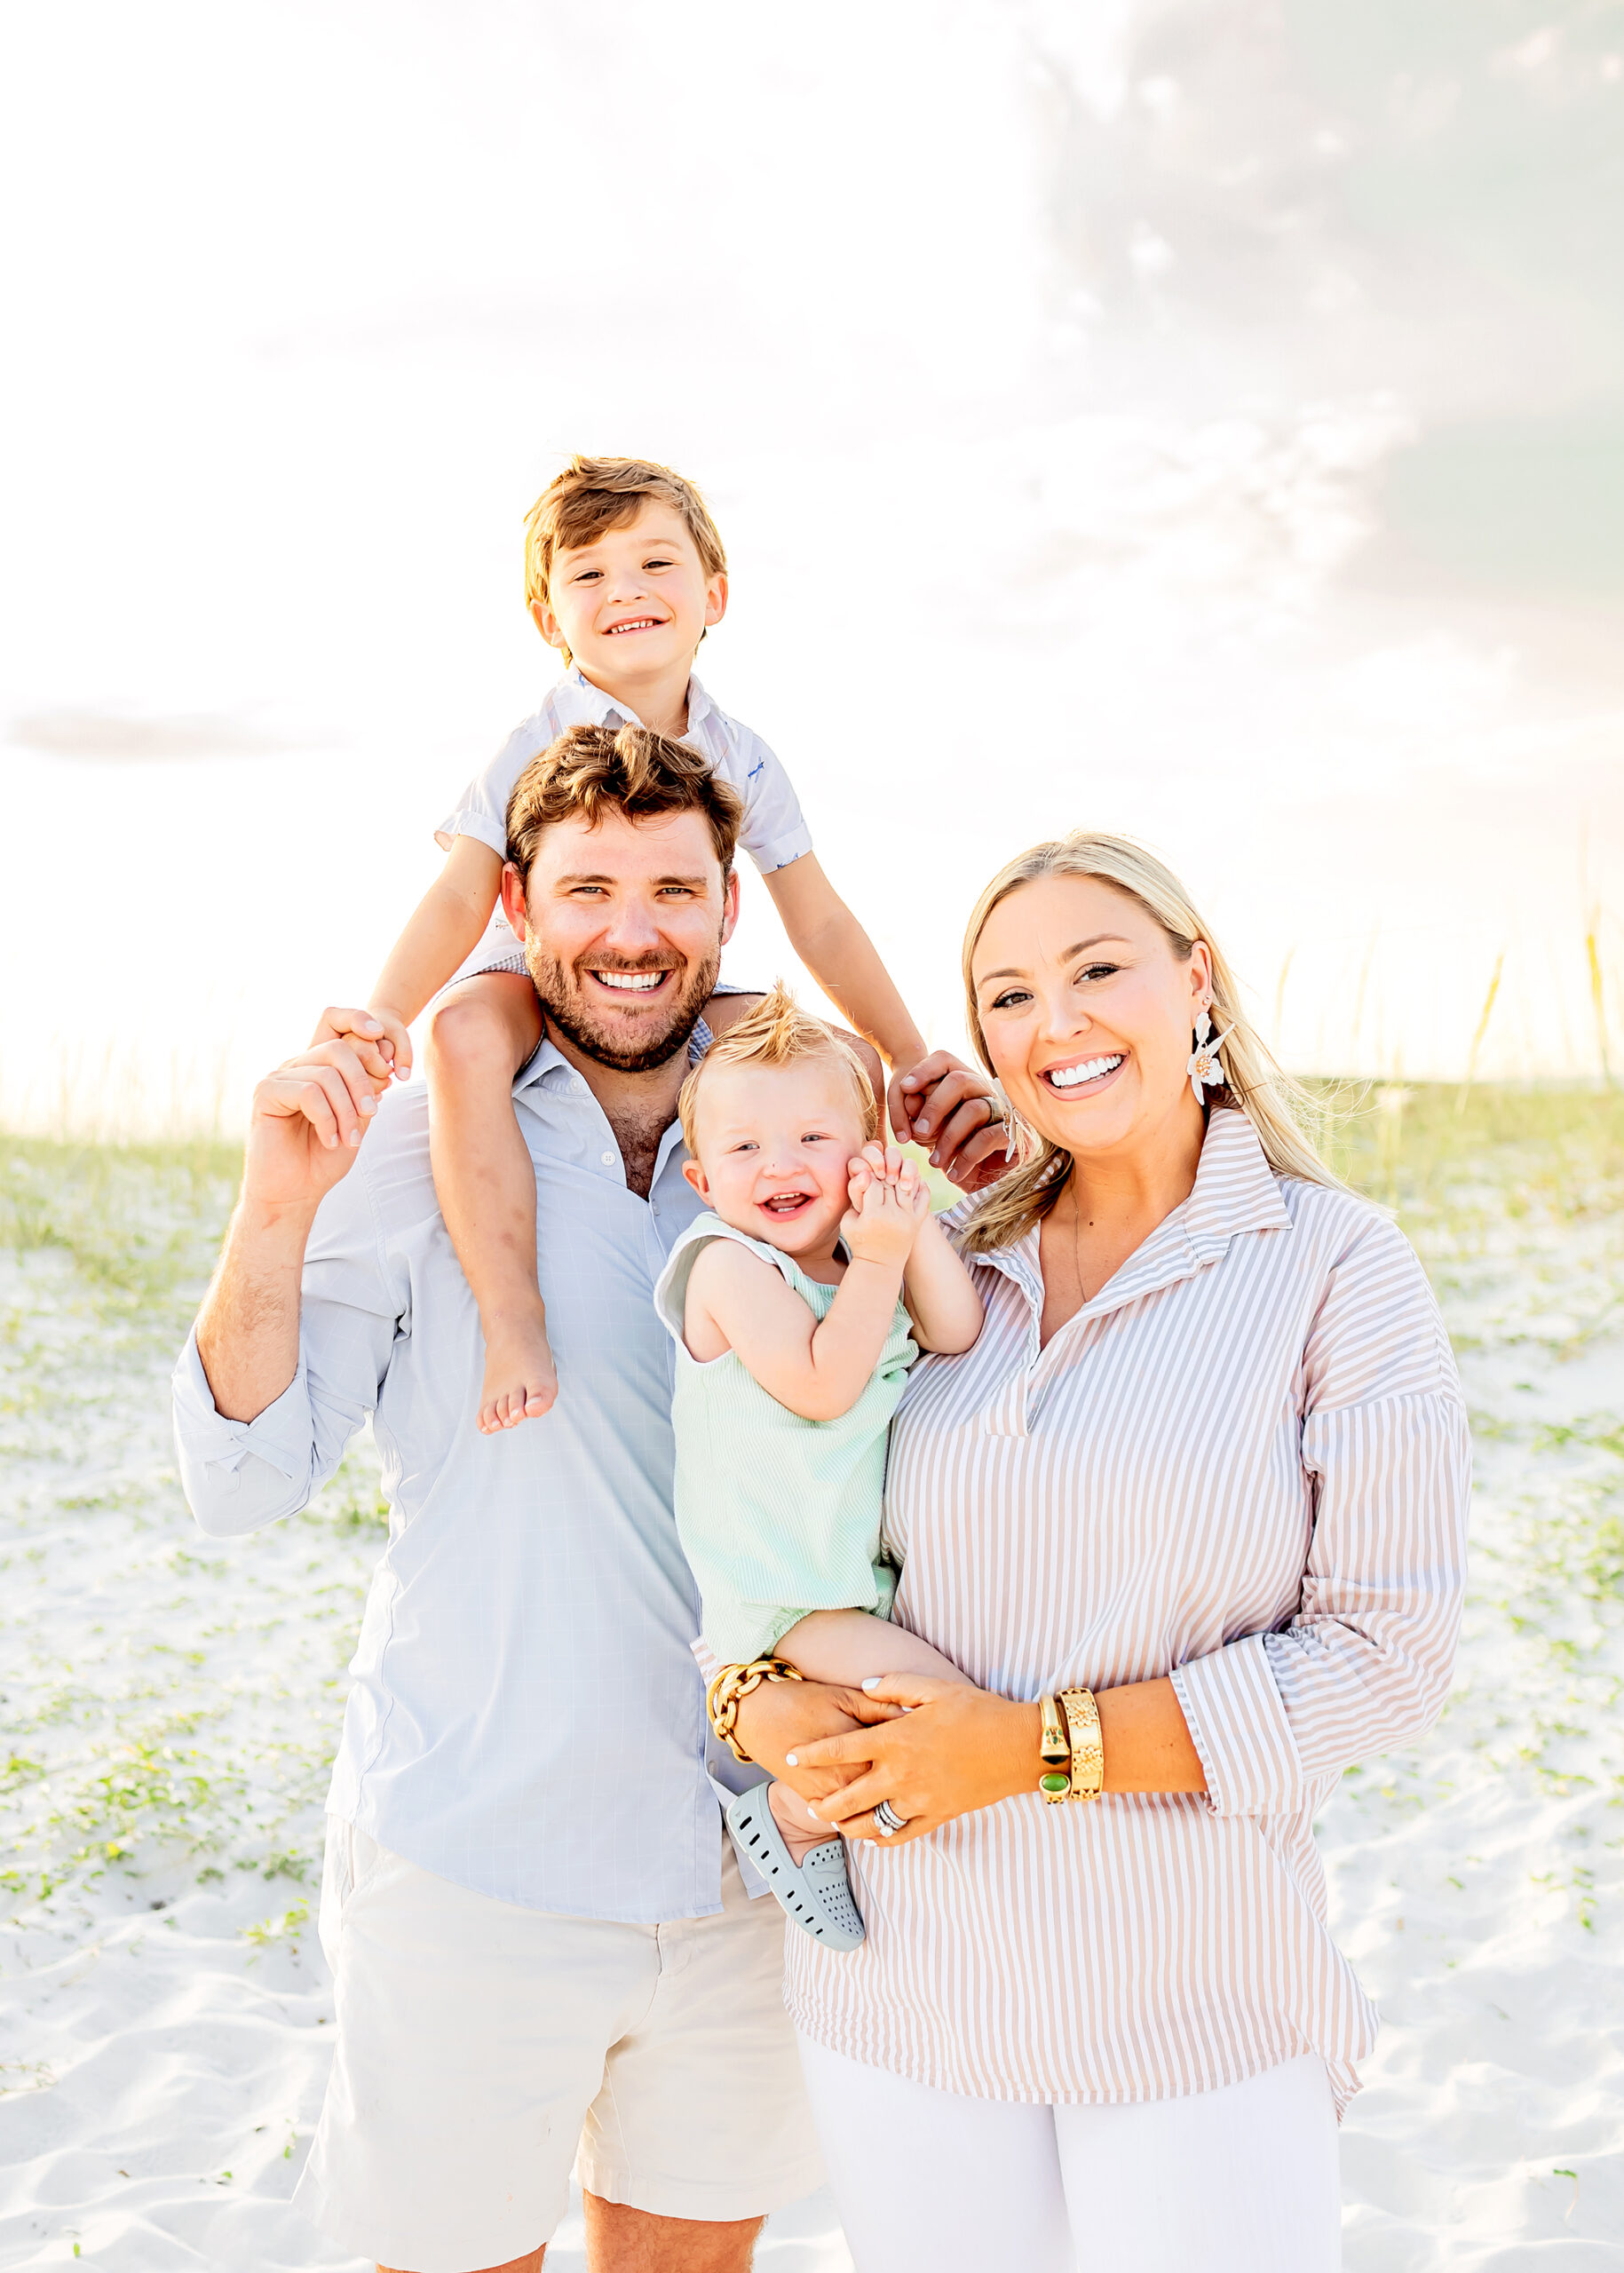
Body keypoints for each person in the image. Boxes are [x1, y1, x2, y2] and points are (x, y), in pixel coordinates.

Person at [170, 724, 997, 2273]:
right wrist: (273, 1204)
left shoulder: (812, 1145)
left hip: (760, 1862)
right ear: (517, 909)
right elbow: (238, 1484)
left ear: (728, 906)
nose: (632, 932)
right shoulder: (411, 1143)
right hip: (480, 1861)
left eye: (673, 890)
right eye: (589, 888)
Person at [725, 833, 1472, 2273]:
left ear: (1193, 983)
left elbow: (1385, 1660)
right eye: (1003, 996)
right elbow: (764, 1532)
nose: (1052, 1022)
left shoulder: (1333, 1265)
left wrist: (1030, 1749)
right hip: (901, 1994)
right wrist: (747, 1700)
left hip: (1186, 1998)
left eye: (1094, 970)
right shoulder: (927, 1267)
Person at [327, 454, 931, 1437]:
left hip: (676, 971)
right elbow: (458, 897)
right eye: (590, 575)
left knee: (831, 1060)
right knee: (465, 1038)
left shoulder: (744, 753)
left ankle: (838, 1299)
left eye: (655, 564)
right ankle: (512, 1311)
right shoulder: (534, 740)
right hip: (534, 970)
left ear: (714, 594)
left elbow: (819, 920)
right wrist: (386, 1014)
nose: (627, 593)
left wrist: (905, 1056)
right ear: (547, 618)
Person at [652, 985, 982, 1949]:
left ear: (863, 1154)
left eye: (811, 1140)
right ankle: (793, 1818)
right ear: (704, 1180)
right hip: (779, 1593)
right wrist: (877, 1260)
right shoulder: (722, 1266)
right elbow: (819, 1384)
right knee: (947, 1718)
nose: (779, 1166)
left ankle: (819, 1811)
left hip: (840, 1581)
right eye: (744, 1149)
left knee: (927, 1722)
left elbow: (955, 1330)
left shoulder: (857, 1255)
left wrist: (903, 1222)